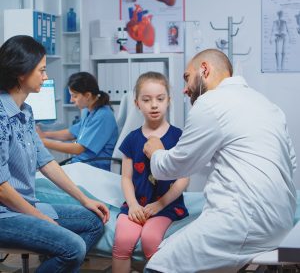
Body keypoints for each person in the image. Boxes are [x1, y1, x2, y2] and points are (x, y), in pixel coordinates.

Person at [143, 49, 297, 273]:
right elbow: (289, 162)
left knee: (159, 265)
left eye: (187, 77)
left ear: (204, 69)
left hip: (243, 222)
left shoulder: (210, 103)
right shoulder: (267, 105)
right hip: (281, 221)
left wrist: (156, 151)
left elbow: (173, 167)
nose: (185, 89)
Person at [0, 35, 110, 273]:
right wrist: (40, 218)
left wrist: (85, 199)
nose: (46, 76)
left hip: (26, 205)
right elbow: (1, 188)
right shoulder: (0, 115)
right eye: (41, 70)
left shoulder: (26, 112)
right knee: (74, 248)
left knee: (93, 222)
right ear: (22, 73)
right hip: (5, 215)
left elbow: (46, 162)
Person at [112, 72, 189, 273]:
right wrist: (133, 205)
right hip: (136, 205)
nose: (154, 105)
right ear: (137, 103)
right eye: (146, 100)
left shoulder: (179, 137)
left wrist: (159, 204)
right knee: (123, 239)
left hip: (166, 206)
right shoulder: (131, 139)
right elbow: (126, 178)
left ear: (169, 101)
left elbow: (183, 179)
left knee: (150, 238)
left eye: (160, 99)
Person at [37, 72, 118, 171]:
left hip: (95, 168)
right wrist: (44, 135)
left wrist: (41, 142)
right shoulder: (87, 111)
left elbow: (78, 149)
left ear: (87, 95)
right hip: (82, 164)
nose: (71, 100)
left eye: (74, 96)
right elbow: (71, 133)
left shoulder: (103, 116)